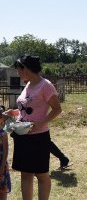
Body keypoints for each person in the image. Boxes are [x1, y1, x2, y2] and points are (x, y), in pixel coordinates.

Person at [8, 55, 62, 200]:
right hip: (22, 135)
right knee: (25, 174)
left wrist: (40, 123)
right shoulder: (28, 84)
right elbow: (26, 108)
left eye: (19, 70)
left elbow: (57, 109)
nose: (18, 74)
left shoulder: (45, 85)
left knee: (41, 174)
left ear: (25, 69)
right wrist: (13, 112)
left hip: (38, 137)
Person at [0, 107, 11, 199]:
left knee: (2, 189)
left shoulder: (3, 134)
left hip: (1, 165)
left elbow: (6, 151)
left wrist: (2, 166)